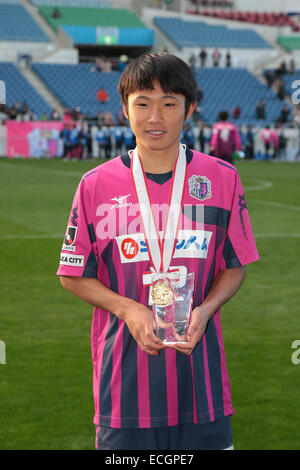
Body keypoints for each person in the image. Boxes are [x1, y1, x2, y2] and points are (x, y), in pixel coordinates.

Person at [57, 52, 259, 451]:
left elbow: (235, 266)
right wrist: (127, 308)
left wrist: (206, 308)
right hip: (124, 390)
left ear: (190, 108)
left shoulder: (221, 179)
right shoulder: (95, 185)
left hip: (202, 389)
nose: (155, 117)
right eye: (143, 104)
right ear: (124, 109)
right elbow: (72, 272)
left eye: (169, 104)